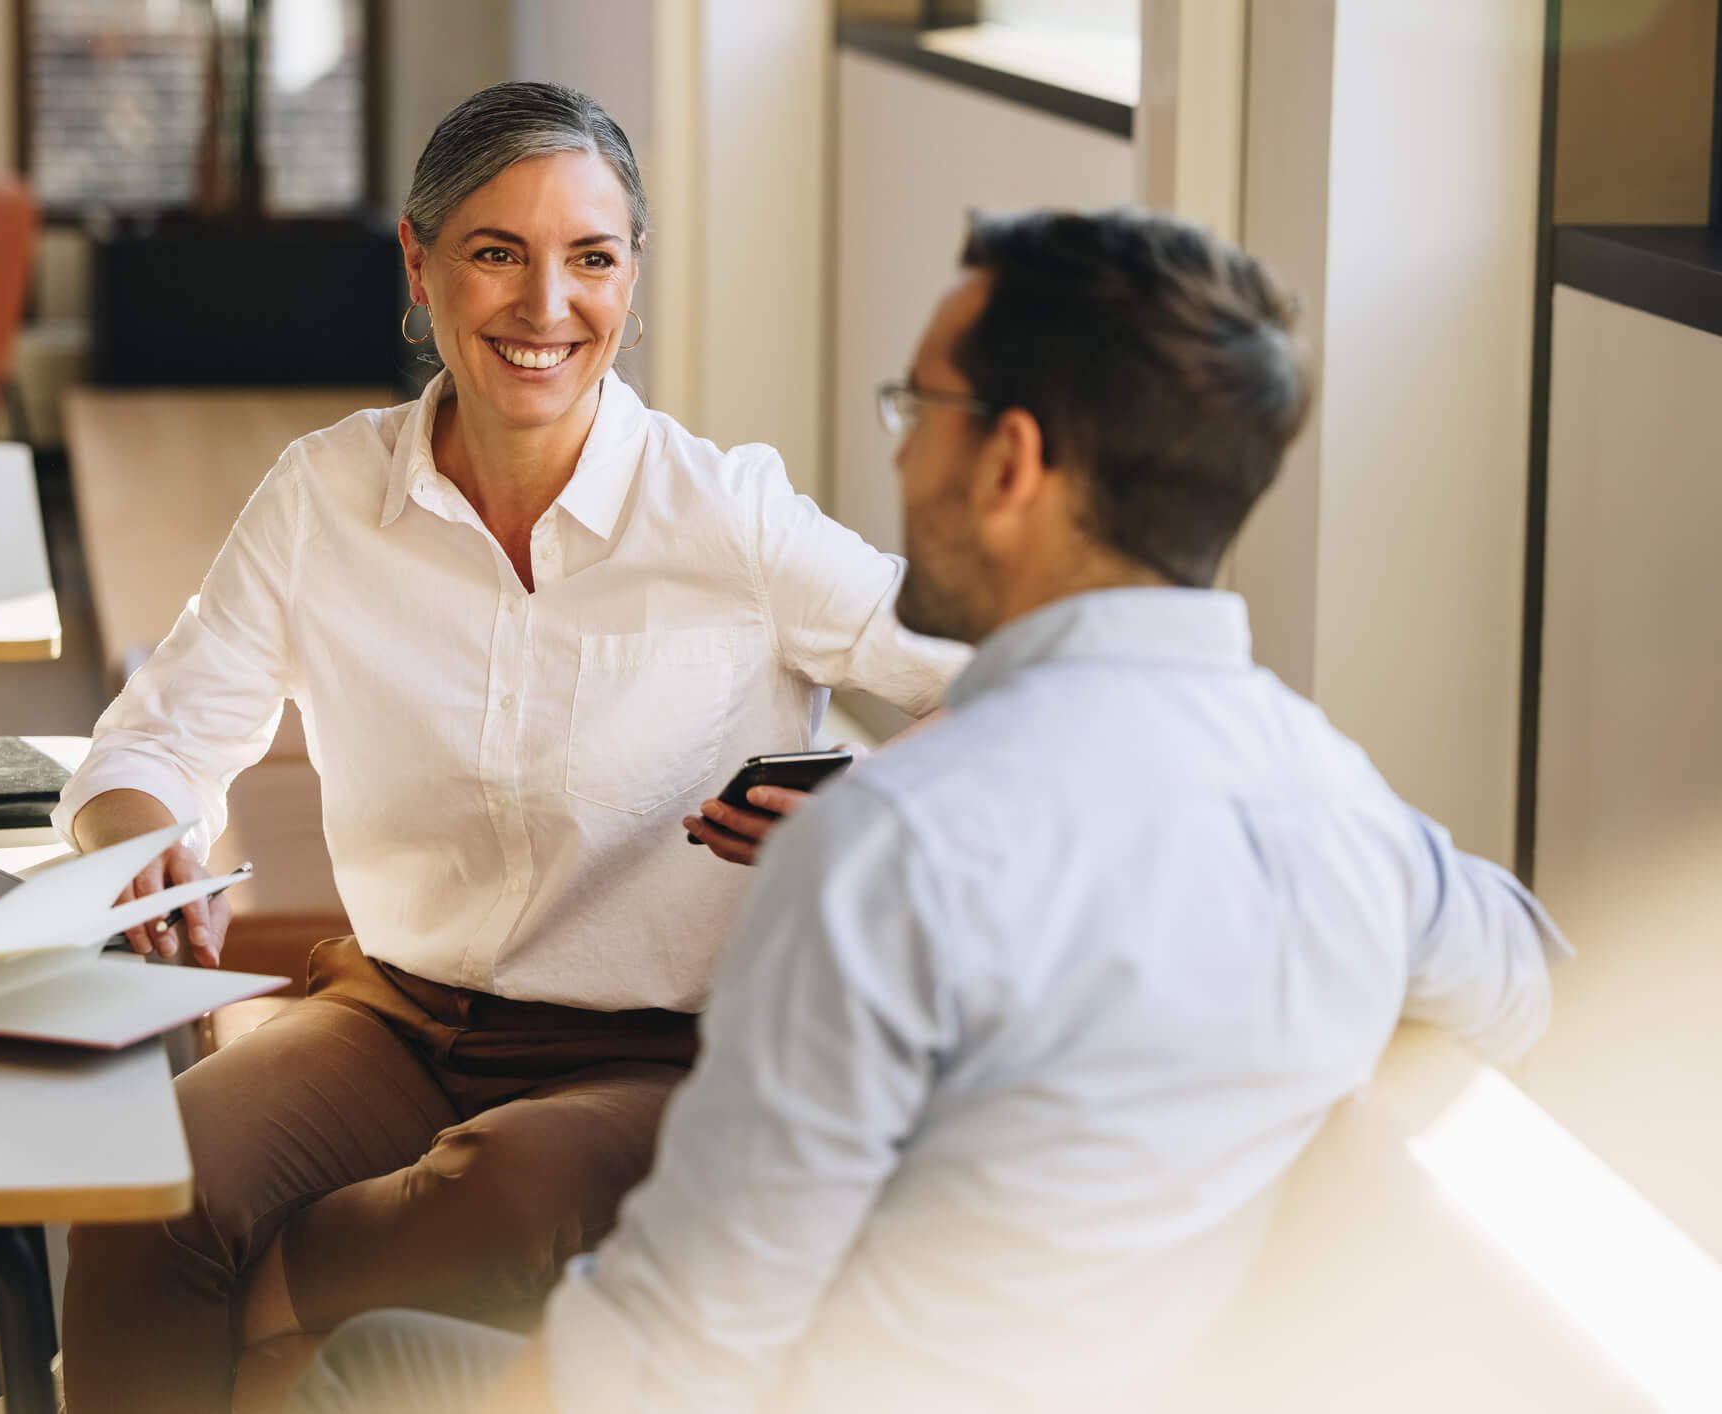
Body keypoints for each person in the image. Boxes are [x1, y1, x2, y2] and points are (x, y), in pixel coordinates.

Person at [287, 209, 1573, 1413]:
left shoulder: (891, 849)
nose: (898, 449)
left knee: (364, 1364)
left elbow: (680, 1337)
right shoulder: (1335, 799)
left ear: (1009, 461)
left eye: (919, 409)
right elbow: (1524, 977)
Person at [51, 81, 968, 1413]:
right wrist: (143, 841)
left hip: (661, 1053)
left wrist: (880, 798)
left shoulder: (731, 516)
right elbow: (154, 738)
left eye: (590, 259)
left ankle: (234, 1334)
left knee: (505, 1194)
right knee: (160, 1178)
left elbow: (1011, 686)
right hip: (398, 1014)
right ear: (419, 267)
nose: (547, 306)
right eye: (498, 253)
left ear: (631, 280)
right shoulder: (324, 497)